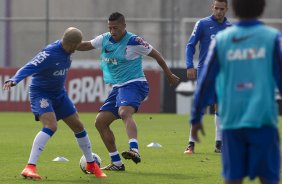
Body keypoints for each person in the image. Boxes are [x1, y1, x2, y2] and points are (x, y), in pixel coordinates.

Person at [190, 0, 281, 183]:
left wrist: (196, 116)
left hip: (232, 123)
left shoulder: (222, 40)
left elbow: (206, 81)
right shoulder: (273, 38)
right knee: (269, 178)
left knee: (233, 179)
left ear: (234, 10)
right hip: (263, 120)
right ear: (262, 8)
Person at [77, 12, 180, 171]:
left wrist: (169, 74)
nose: (112, 31)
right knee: (100, 122)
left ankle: (135, 150)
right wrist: (67, 45)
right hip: (118, 87)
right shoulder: (104, 38)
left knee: (124, 112)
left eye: (116, 28)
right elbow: (86, 45)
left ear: (124, 26)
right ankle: (117, 163)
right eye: (110, 27)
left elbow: (157, 55)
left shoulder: (134, 41)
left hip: (135, 84)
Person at [3, 27, 107, 179]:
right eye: (77, 45)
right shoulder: (49, 53)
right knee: (51, 125)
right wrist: (14, 80)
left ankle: (91, 164)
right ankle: (29, 167)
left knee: (78, 126)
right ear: (71, 44)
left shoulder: (70, 47)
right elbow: (29, 66)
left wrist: (105, 40)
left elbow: (85, 45)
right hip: (41, 93)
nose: (78, 48)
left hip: (59, 94)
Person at [184, 0, 231, 154]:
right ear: (212, 7)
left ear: (226, 9)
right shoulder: (202, 24)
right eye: (216, 8)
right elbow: (191, 45)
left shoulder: (230, 28)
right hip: (205, 72)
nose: (219, 11)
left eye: (221, 9)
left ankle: (219, 143)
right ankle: (191, 144)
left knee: (220, 107)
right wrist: (189, 65)